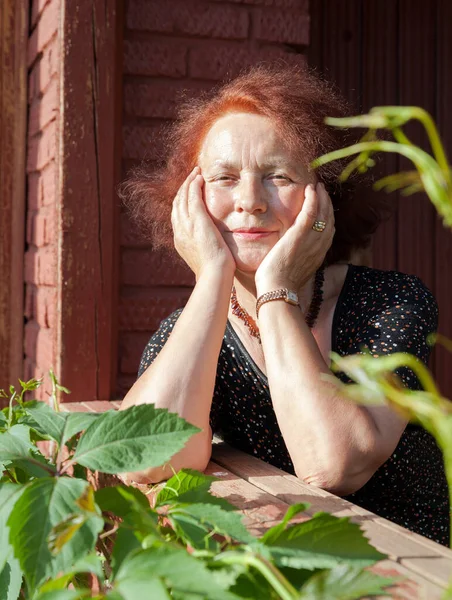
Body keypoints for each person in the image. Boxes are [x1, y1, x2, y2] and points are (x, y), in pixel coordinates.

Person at [119, 64, 448, 546]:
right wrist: (213, 278)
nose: (249, 201)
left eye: (278, 176)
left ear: (324, 195)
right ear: (191, 199)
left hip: (411, 576)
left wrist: (276, 288)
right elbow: (144, 456)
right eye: (224, 177)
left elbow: (333, 465)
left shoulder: (392, 304)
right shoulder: (190, 327)